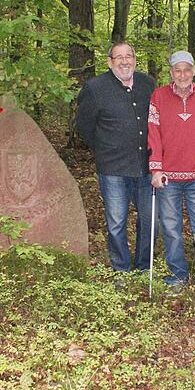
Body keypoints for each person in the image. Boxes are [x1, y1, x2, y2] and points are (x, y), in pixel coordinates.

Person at [147, 50, 195, 303]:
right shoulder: (158, 96)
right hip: (168, 175)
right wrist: (156, 168)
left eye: (187, 69)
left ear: (194, 71)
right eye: (177, 70)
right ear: (171, 72)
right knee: (171, 228)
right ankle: (177, 275)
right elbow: (153, 134)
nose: (182, 74)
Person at [75, 42, 156, 274]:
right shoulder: (95, 88)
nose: (124, 61)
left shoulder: (147, 84)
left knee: (150, 221)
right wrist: (104, 147)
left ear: (135, 59)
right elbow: (84, 126)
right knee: (117, 223)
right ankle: (121, 269)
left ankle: (144, 267)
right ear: (110, 61)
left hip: (147, 166)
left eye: (128, 56)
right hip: (113, 168)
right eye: (118, 57)